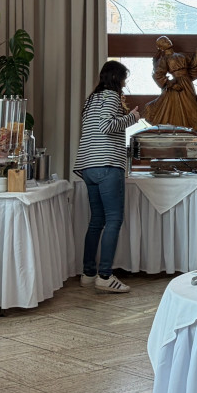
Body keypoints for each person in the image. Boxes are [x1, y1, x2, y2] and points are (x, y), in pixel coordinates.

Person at [74, 61, 143, 293]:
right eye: (124, 79)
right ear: (117, 78)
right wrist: (132, 118)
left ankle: (88, 273)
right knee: (114, 220)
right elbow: (106, 126)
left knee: (97, 220)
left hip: (88, 165)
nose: (124, 83)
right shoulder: (112, 96)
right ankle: (104, 275)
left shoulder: (91, 99)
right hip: (107, 164)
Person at [144, 36, 197, 130]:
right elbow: (158, 75)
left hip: (187, 84)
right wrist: (172, 85)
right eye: (163, 41)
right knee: (182, 109)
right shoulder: (164, 59)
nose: (167, 41)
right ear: (161, 47)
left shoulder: (182, 55)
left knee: (193, 108)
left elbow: (194, 64)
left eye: (167, 39)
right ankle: (184, 130)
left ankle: (192, 130)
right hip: (178, 86)